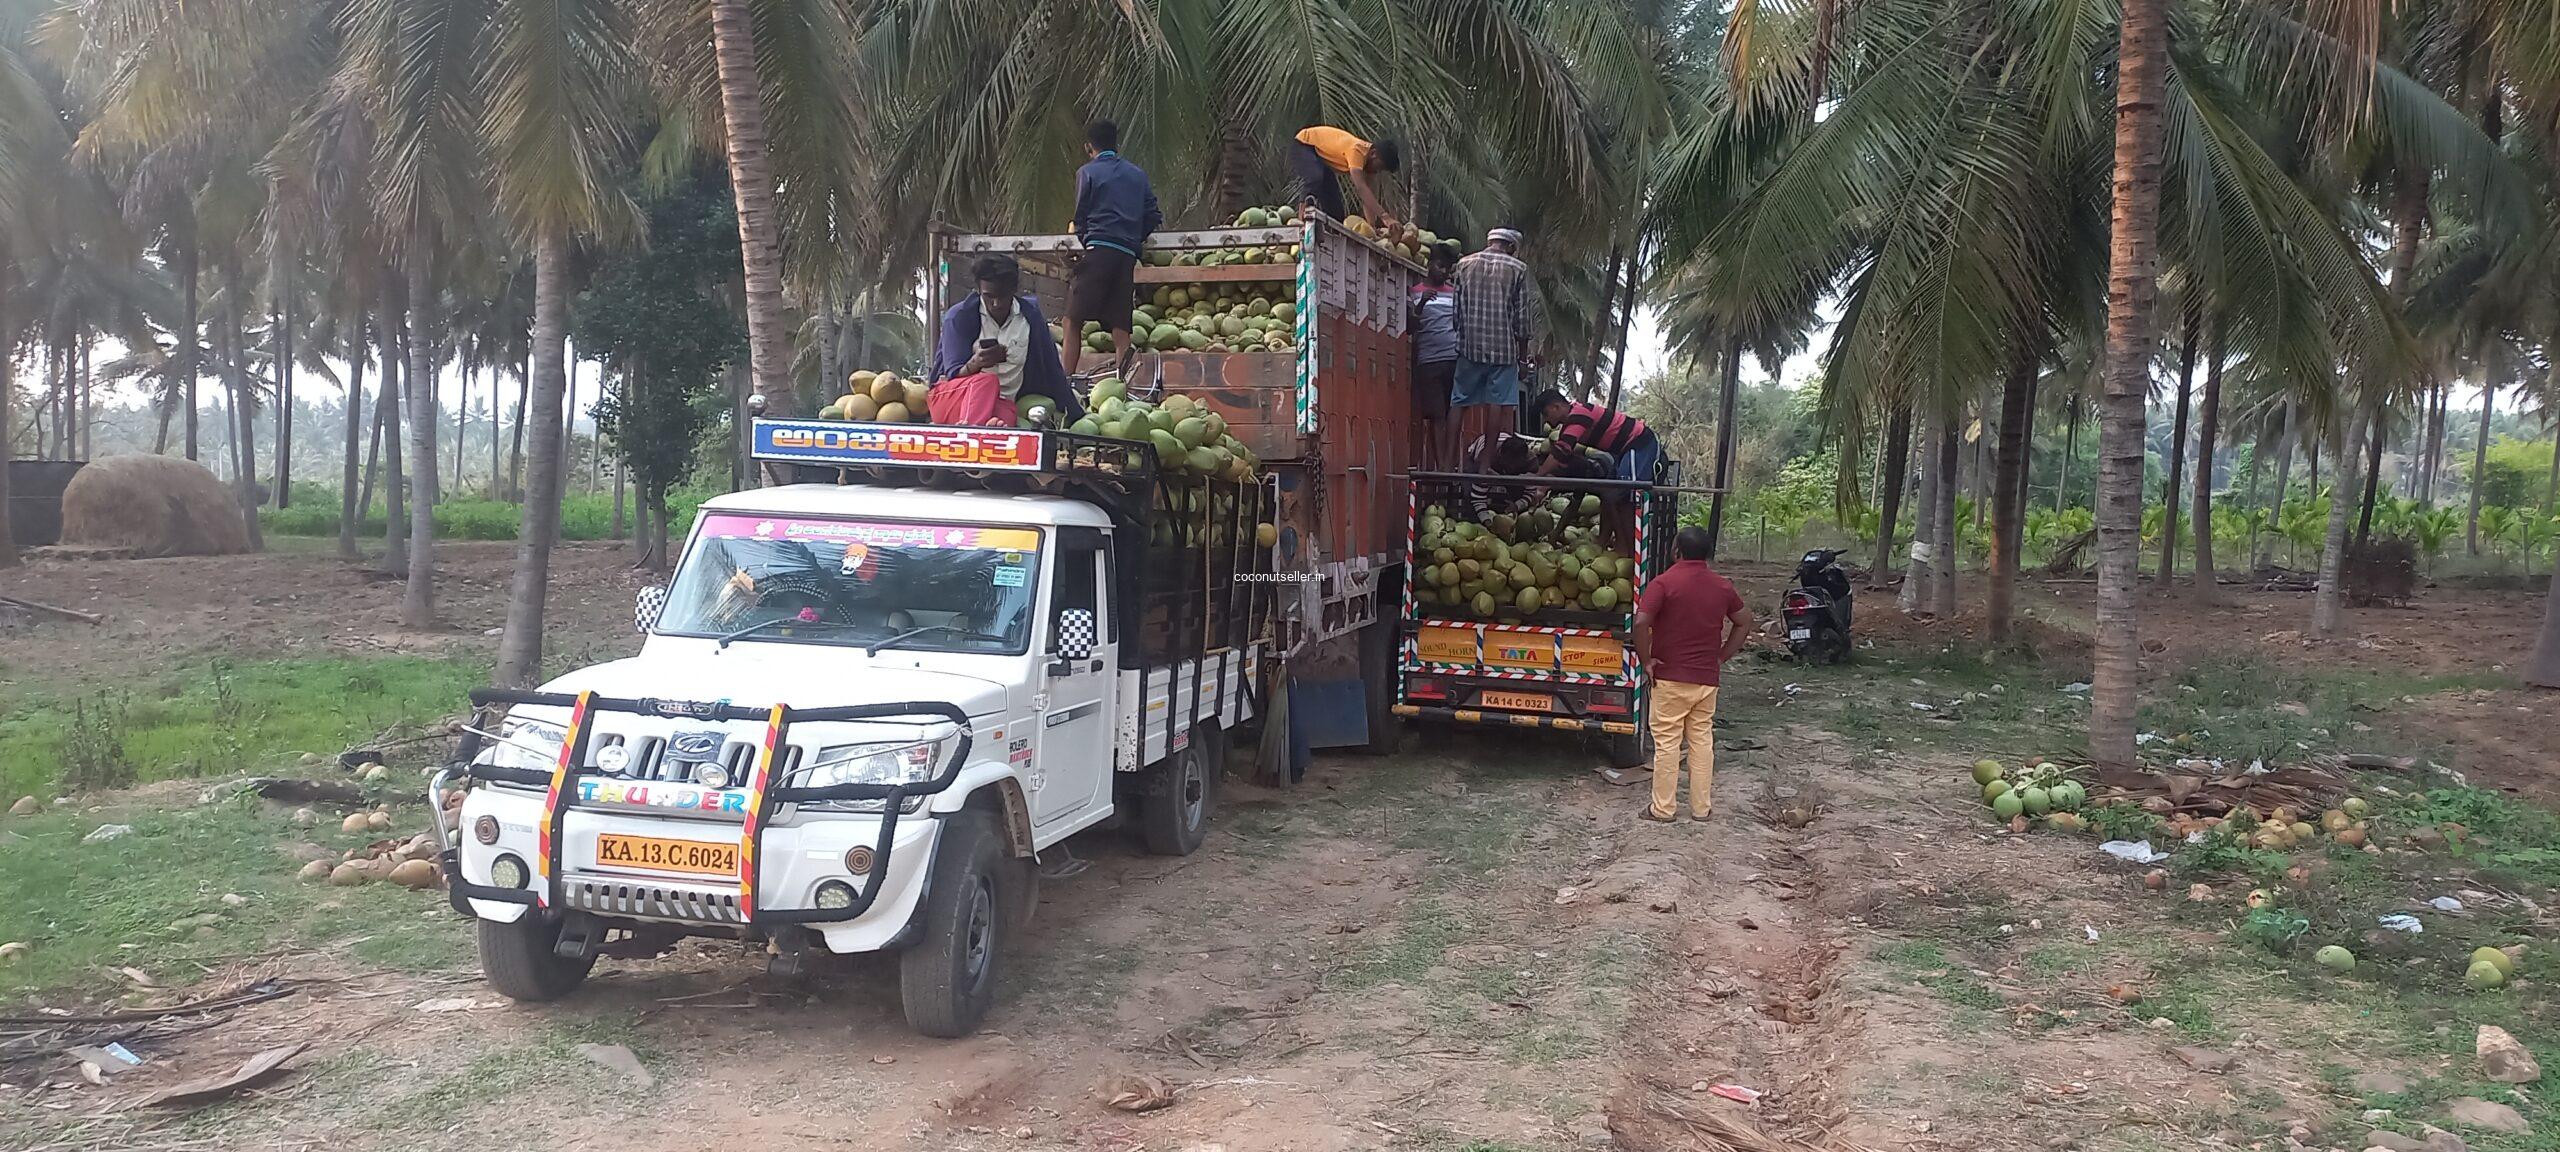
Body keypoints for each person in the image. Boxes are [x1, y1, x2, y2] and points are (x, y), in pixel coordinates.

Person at [1633, 526, 1752, 824]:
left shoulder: (1663, 584)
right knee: (1701, 741)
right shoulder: (1722, 586)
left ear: (1676, 551)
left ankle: (1662, 809)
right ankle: (1701, 809)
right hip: (1706, 680)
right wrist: (1722, 656)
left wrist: (1646, 660)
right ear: (1708, 554)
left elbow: (1641, 622)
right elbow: (1744, 621)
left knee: (1668, 743)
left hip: (1670, 677)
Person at [930, 255, 1081, 425]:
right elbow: (952, 374)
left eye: (1002, 296)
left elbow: (1052, 370)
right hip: (951, 399)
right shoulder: (959, 317)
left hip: (1002, 402)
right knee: (987, 382)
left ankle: (983, 431)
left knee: (1007, 418)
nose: (996, 303)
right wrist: (975, 363)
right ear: (979, 290)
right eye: (989, 296)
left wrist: (1076, 416)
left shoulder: (1030, 317)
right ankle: (972, 435)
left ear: (1013, 290)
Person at [1063, 119, 1160, 377]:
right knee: (1121, 325)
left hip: (1099, 249)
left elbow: (1081, 214)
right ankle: (1123, 384)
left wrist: (1085, 240)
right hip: (1126, 255)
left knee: (1072, 319)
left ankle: (1066, 382)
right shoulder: (1137, 174)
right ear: (1116, 144)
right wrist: (1133, 238)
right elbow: (1153, 214)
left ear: (1088, 147)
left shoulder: (1088, 172)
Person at [1450, 228, 1532, 450]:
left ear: (1490, 241)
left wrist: (1462, 337)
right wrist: (1523, 360)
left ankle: (1446, 465)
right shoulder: (1518, 269)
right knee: (1496, 405)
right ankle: (1485, 466)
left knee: (1459, 401)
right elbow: (1522, 320)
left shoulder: (1464, 264)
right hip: (1503, 350)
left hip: (1469, 346)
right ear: (1511, 247)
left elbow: (1456, 311)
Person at [1536, 389, 1662, 484]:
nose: (1546, 420)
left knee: (1631, 488)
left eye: (1546, 414)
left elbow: (1560, 453)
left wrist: (1536, 477)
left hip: (1639, 442)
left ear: (1556, 407)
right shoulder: (1570, 424)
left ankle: (1636, 519)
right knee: (1613, 493)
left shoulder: (1578, 416)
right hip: (1623, 450)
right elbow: (1562, 456)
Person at [1409, 244, 1460, 469]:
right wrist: (1421, 304)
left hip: (1454, 359)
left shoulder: (1454, 293)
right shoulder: (1415, 292)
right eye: (1439, 266)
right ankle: (1442, 465)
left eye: (1447, 269)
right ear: (1429, 265)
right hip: (1429, 361)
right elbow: (1410, 327)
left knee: (1452, 416)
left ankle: (1449, 464)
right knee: (1436, 416)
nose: (1443, 272)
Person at [1290, 126, 1401, 224]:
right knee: (1315, 177)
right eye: (1379, 167)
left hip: (1321, 159)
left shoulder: (1368, 164)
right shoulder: (1357, 151)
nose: (1377, 171)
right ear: (1373, 154)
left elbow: (1368, 198)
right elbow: (1361, 189)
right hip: (1305, 144)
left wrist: (1372, 228)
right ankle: (1301, 219)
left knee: (1336, 212)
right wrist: (1385, 216)